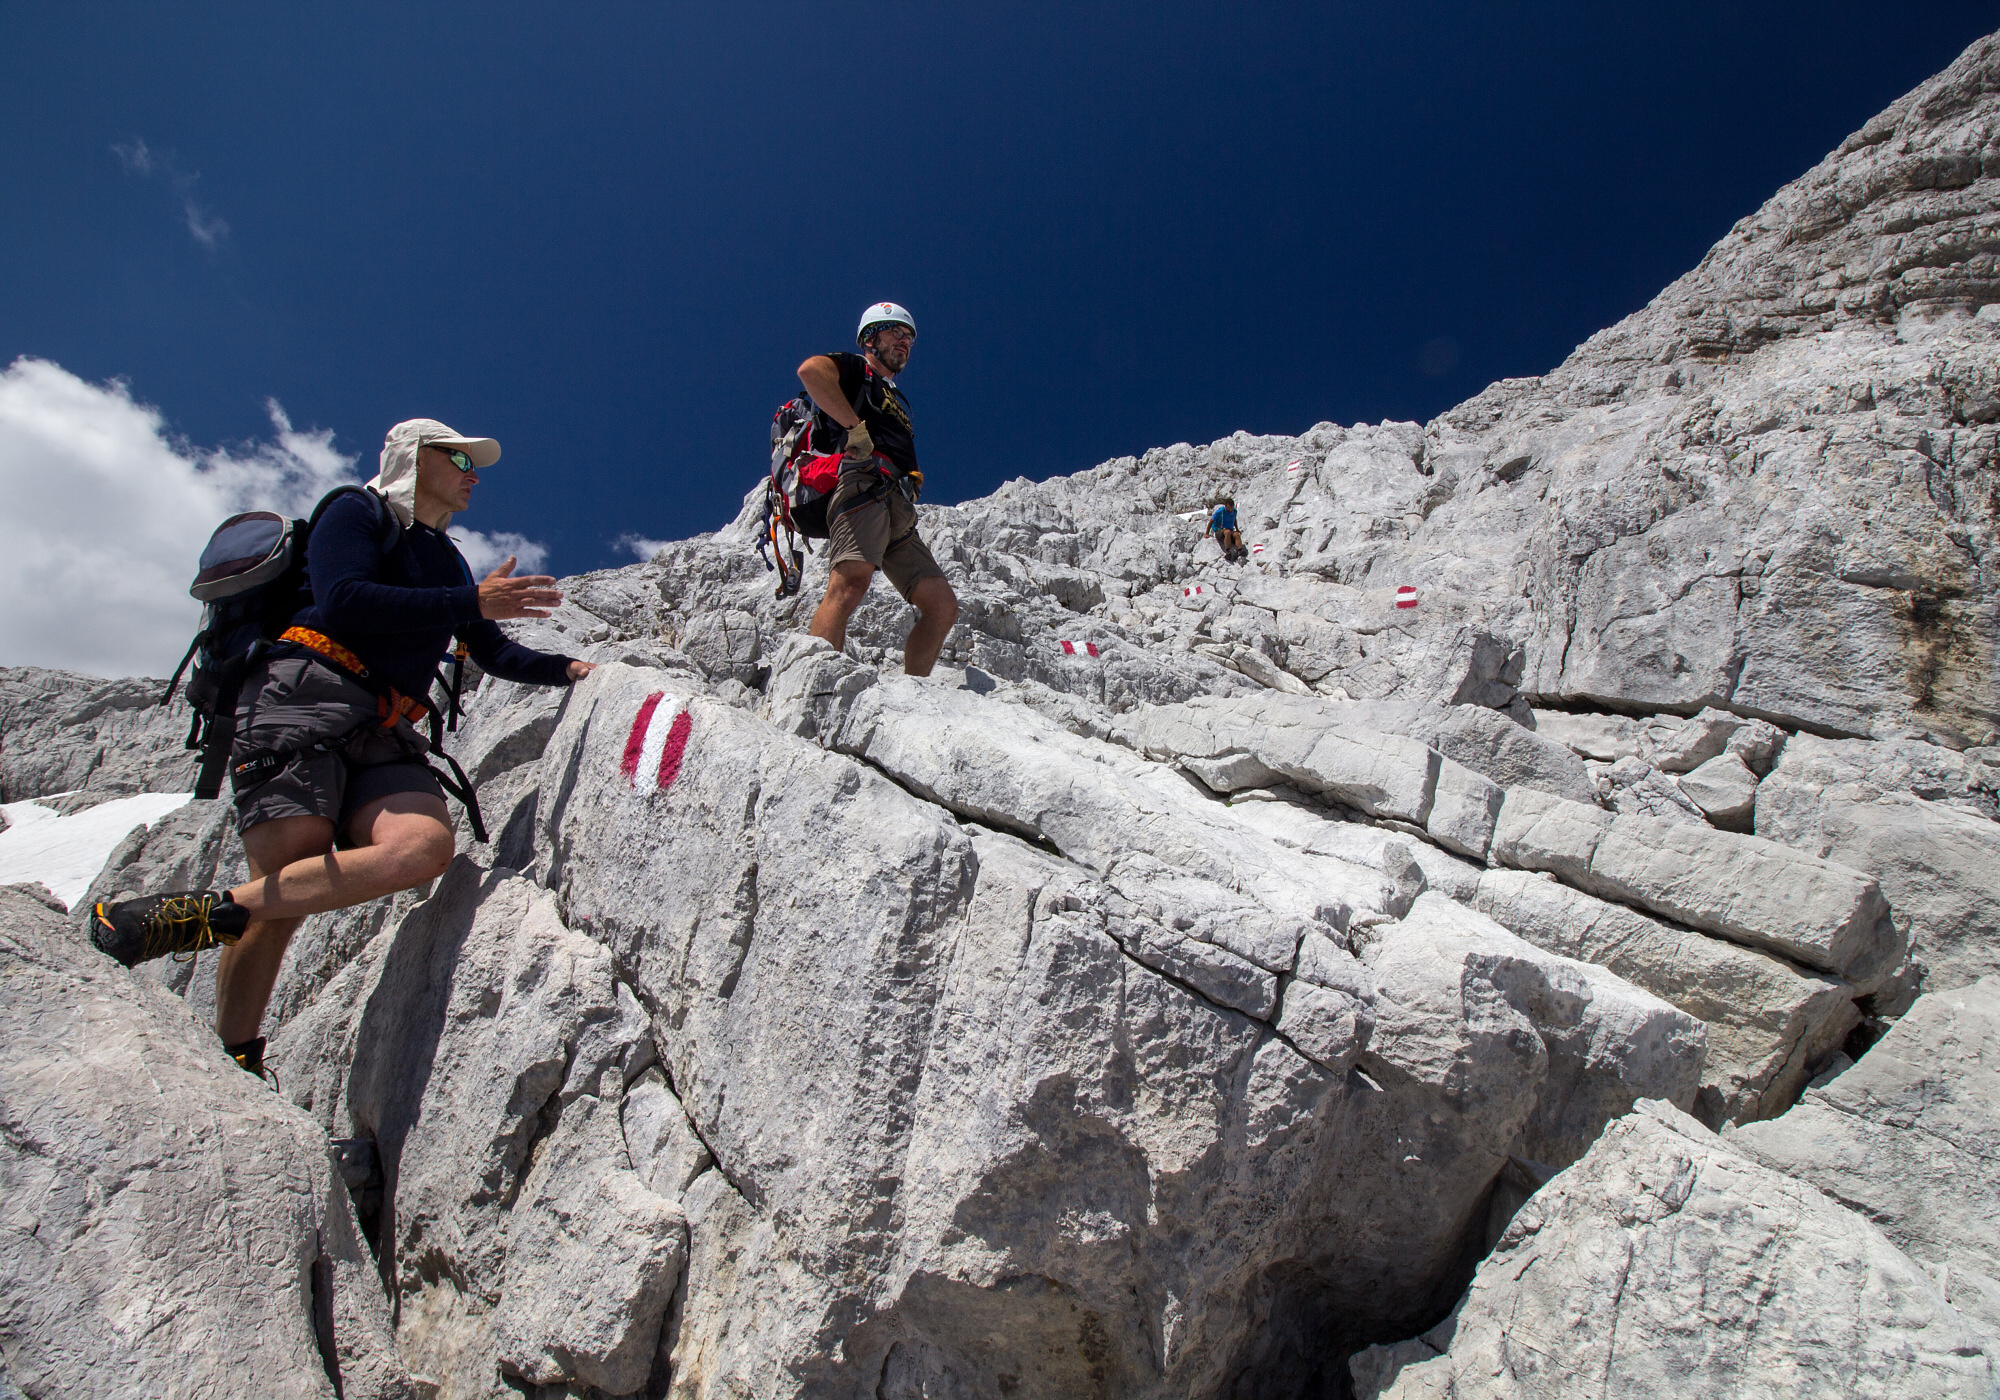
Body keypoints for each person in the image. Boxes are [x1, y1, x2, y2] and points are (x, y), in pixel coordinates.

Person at [89, 419, 595, 1079]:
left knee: (422, 848)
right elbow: (345, 600)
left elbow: (492, 652)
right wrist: (471, 598)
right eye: (461, 460)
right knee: (282, 902)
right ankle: (237, 1060)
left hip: (385, 726)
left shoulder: (446, 559)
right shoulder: (353, 511)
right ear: (414, 458)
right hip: (304, 696)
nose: (474, 475)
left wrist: (570, 672)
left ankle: (201, 915)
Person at [800, 302, 958, 676]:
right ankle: (816, 688)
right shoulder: (856, 368)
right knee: (851, 582)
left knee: (941, 606)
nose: (905, 343)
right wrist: (854, 427)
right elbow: (811, 371)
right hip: (863, 481)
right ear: (870, 337)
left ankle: (913, 692)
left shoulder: (895, 397)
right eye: (896, 333)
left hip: (897, 504)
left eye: (909, 339)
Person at [1207, 496, 1245, 562]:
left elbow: (1234, 520)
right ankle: (1228, 551)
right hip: (1219, 530)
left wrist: (1237, 529)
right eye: (1228, 508)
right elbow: (1211, 521)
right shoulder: (1221, 511)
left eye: (1231, 508)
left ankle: (1240, 550)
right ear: (1225, 506)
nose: (1230, 510)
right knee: (1227, 532)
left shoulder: (1234, 511)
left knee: (1236, 534)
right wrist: (1206, 533)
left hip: (1229, 530)